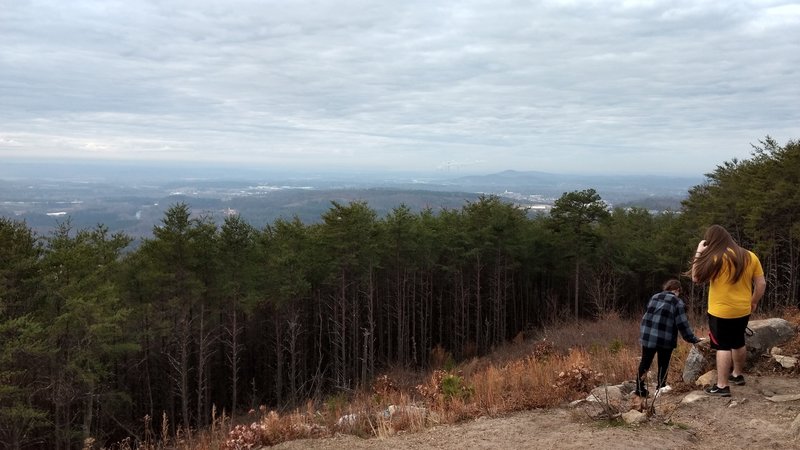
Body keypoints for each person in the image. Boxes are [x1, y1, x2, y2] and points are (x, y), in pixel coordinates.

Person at [691, 224, 766, 397]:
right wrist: (753, 302)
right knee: (738, 341)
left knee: (722, 346)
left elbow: (696, 277)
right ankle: (737, 375)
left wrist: (699, 252)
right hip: (742, 309)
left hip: (720, 312)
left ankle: (722, 386)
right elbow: (761, 284)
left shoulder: (716, 258)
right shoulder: (749, 256)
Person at [636, 279, 701, 397]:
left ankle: (639, 389)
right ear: (677, 290)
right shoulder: (677, 302)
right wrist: (692, 339)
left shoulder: (655, 297)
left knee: (645, 361)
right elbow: (682, 324)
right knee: (663, 362)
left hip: (648, 335)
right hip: (665, 337)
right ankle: (660, 388)